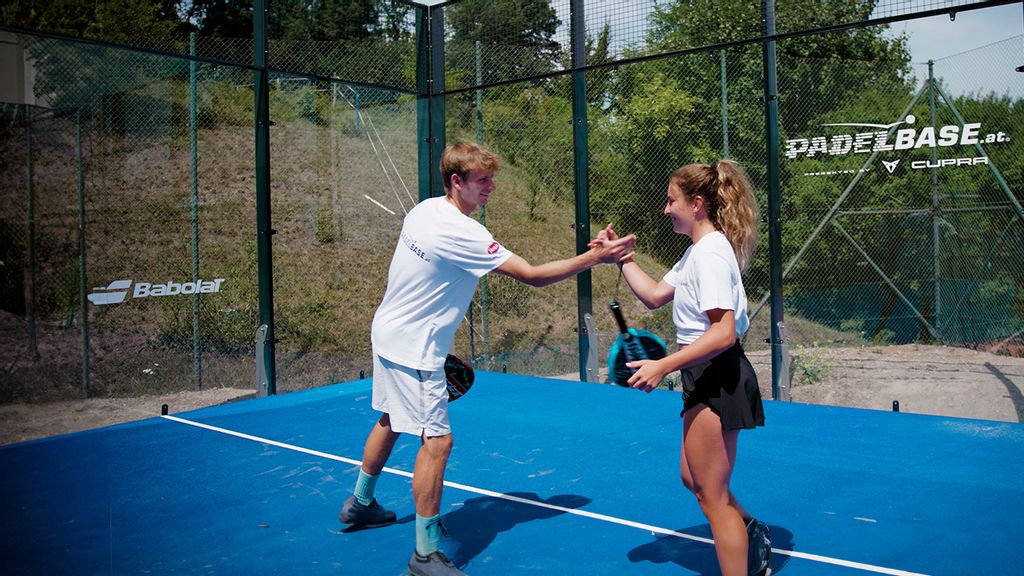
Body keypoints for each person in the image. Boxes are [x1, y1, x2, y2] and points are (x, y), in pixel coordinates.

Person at [338, 141, 637, 576]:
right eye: (482, 181)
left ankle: (361, 502)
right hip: (413, 348)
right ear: (456, 181)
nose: (491, 187)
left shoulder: (423, 210)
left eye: (492, 179)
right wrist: (597, 257)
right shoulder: (464, 232)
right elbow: (532, 276)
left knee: (390, 416)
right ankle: (425, 554)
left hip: (388, 333)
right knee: (436, 441)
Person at [597, 160, 770, 576]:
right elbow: (656, 295)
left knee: (711, 495)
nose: (665, 208)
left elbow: (723, 332)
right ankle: (748, 527)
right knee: (693, 479)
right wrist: (621, 257)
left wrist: (663, 366)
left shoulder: (710, 254)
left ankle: (745, 544)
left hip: (718, 374)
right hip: (706, 374)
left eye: (671, 200)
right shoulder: (699, 250)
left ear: (696, 205)